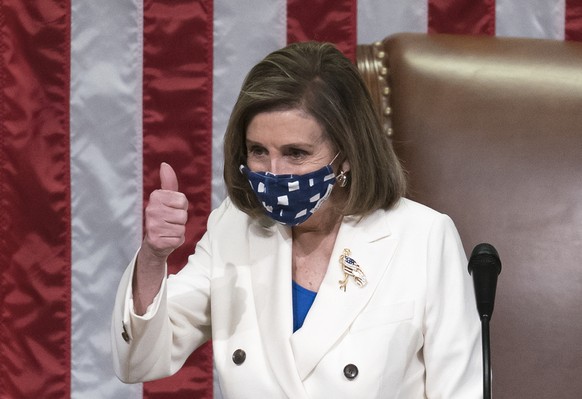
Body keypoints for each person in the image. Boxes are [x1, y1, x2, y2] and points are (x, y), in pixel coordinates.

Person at [111, 41, 482, 398]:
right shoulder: (233, 228)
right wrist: (153, 257)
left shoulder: (424, 238)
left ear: (348, 152)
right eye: (258, 151)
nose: (275, 173)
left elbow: (462, 392)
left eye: (295, 153)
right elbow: (139, 361)